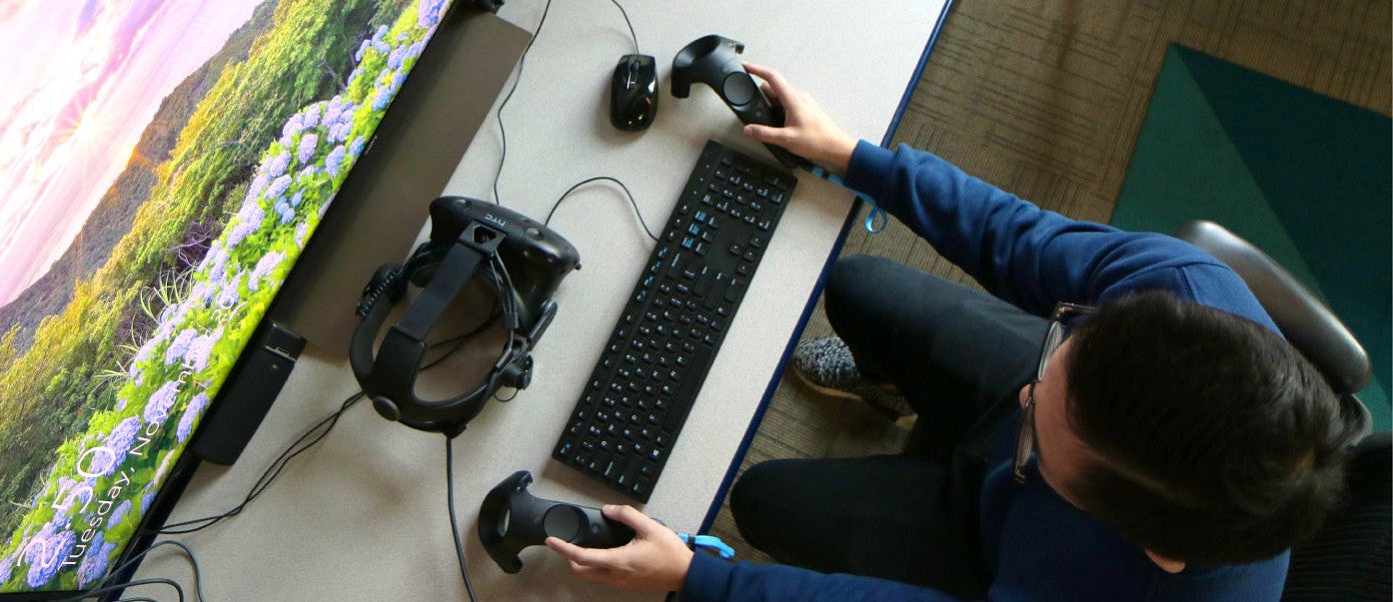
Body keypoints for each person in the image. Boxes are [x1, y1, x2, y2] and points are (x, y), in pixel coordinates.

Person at [544, 64, 1360, 600]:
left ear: (1155, 548)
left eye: (1053, 426)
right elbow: (1018, 238)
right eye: (1066, 349)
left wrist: (696, 582)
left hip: (999, 561)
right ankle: (904, 393)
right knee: (861, 283)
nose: (1037, 386)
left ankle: (957, 449)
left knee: (762, 503)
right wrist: (857, 157)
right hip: (1034, 468)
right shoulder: (1185, 292)